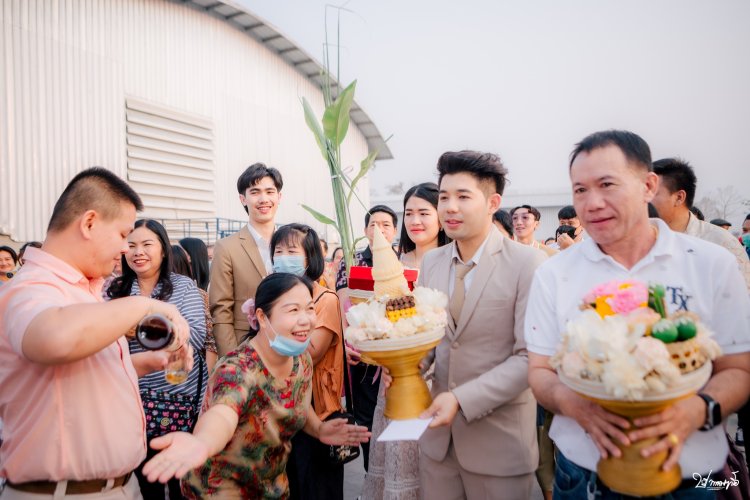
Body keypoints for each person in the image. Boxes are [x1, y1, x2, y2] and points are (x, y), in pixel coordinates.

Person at [525, 130, 750, 499]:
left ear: (648, 185)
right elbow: (539, 370)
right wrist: (574, 405)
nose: (592, 202)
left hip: (691, 476)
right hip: (585, 474)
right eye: (580, 190)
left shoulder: (711, 263)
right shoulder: (553, 273)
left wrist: (696, 410)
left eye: (607, 184)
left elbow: (739, 369)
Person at [0, 167, 190, 500]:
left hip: (114, 487)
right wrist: (144, 307)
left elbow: (82, 372)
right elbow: (53, 338)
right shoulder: (32, 288)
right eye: (122, 235)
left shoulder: (84, 291)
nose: (124, 250)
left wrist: (149, 362)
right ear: (89, 223)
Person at [140, 273, 370, 499]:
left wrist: (319, 429)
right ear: (262, 317)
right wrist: (203, 442)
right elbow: (222, 415)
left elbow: (296, 399)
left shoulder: (301, 359)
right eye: (293, 310)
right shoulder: (237, 370)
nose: (306, 319)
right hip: (219, 491)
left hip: (271, 487)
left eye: (310, 308)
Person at [418, 151, 546, 499]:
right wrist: (407, 363)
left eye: (463, 196)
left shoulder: (528, 263)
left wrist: (459, 399)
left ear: (493, 202)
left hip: (500, 446)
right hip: (438, 446)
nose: (449, 207)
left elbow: (528, 358)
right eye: (443, 197)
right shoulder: (432, 262)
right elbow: (429, 336)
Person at [107, 219, 208, 500]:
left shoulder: (183, 286)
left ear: (163, 250)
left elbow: (196, 336)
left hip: (176, 399)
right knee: (141, 478)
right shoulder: (113, 288)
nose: (138, 252)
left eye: (147, 244)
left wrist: (130, 329)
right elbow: (100, 340)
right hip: (129, 397)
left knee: (179, 481)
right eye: (131, 245)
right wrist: (159, 328)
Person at [363, 182, 450, 500]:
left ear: (440, 216)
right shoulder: (390, 262)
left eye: (423, 212)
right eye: (409, 213)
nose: (415, 220)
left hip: (441, 381)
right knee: (400, 470)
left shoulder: (451, 261)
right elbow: (374, 321)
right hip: (396, 380)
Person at [270, 224, 346, 500]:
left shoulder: (325, 300)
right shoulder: (271, 297)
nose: (283, 257)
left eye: (291, 251)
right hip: (280, 401)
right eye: (278, 251)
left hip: (315, 402)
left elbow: (311, 352)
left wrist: (270, 335)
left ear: (310, 257)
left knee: (316, 484)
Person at [335, 204, 399, 471]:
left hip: (394, 356)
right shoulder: (351, 262)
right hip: (361, 357)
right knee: (366, 420)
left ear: (395, 231)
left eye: (385, 224)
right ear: (364, 231)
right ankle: (372, 474)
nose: (379, 229)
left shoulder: (402, 263)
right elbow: (341, 306)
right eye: (373, 224)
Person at [210, 163, 282, 357]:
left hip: (289, 346)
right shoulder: (226, 247)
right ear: (243, 199)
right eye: (255, 192)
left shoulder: (292, 244)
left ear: (279, 197)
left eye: (270, 191)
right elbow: (221, 310)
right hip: (246, 350)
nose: (264, 199)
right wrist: (232, 359)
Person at [651, 157, 750, 291]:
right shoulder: (640, 241)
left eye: (652, 192)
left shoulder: (721, 242)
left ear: (679, 197)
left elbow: (742, 297)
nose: (643, 199)